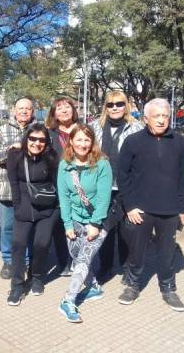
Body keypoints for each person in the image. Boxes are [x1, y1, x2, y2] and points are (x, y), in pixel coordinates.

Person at [117, 98, 184, 312]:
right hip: (140, 209)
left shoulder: (179, 142)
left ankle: (168, 288)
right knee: (137, 251)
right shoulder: (133, 141)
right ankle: (132, 285)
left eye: (165, 116)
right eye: (156, 116)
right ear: (146, 118)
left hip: (170, 210)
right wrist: (130, 206)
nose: (161, 120)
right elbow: (123, 176)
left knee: (167, 253)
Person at [57, 123, 112, 323]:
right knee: (76, 255)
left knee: (83, 260)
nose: (83, 144)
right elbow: (63, 197)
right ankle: (94, 287)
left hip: (96, 221)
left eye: (87, 140)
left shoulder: (102, 164)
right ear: (71, 141)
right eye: (78, 139)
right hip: (73, 220)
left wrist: (96, 224)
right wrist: (67, 225)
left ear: (92, 142)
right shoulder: (65, 164)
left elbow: (104, 197)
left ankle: (68, 300)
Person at [90, 91, 143, 281]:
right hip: (101, 188)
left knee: (127, 231)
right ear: (105, 107)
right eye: (110, 104)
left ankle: (127, 267)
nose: (115, 108)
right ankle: (105, 267)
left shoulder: (136, 128)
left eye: (119, 104)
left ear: (126, 105)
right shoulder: (94, 127)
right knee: (105, 230)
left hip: (126, 188)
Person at [6, 123, 60, 305]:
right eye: (33, 138)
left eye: (41, 140)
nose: (37, 143)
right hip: (24, 206)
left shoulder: (51, 157)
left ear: (46, 142)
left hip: (47, 208)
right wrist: (17, 205)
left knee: (42, 243)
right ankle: (17, 285)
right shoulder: (14, 155)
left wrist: (57, 208)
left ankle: (37, 276)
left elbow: (56, 183)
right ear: (26, 138)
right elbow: (13, 182)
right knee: (18, 244)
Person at [0, 97, 35, 280]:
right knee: (7, 227)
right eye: (20, 108)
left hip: (31, 189)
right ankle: (8, 260)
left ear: (33, 111)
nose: (24, 111)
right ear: (14, 111)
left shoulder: (38, 130)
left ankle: (27, 260)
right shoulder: (1, 130)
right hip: (6, 188)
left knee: (29, 227)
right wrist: (12, 149)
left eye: (28, 109)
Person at [45, 97, 78, 277]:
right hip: (56, 185)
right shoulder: (49, 133)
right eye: (59, 108)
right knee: (60, 225)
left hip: (80, 184)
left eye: (68, 107)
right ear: (54, 113)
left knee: (78, 223)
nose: (64, 111)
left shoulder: (83, 130)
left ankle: (77, 260)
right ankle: (64, 261)